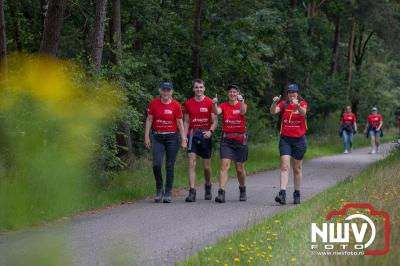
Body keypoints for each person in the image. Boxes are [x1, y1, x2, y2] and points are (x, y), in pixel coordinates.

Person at [144, 82, 187, 203]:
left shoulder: (176, 105)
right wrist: (146, 136)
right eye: (164, 90)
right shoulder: (154, 103)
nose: (166, 92)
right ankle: (159, 189)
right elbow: (149, 119)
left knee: (169, 165)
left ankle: (168, 192)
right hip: (158, 137)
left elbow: (180, 123)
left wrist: (184, 139)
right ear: (160, 91)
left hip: (172, 138)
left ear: (172, 92)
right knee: (156, 164)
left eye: (168, 90)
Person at [270, 83, 308, 205]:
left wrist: (297, 104)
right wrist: (274, 102)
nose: (291, 94)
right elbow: (273, 111)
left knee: (297, 168)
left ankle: (297, 193)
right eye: (289, 92)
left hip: (299, 140)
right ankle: (282, 193)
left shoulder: (302, 103)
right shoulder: (284, 104)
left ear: (297, 93)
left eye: (294, 92)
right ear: (287, 94)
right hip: (285, 139)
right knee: (285, 166)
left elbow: (303, 113)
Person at [212, 84, 248, 203]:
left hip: (240, 140)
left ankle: (242, 189)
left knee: (239, 169)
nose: (232, 94)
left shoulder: (242, 104)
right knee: (224, 165)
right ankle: (221, 193)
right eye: (230, 92)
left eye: (234, 92)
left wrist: (241, 101)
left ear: (238, 94)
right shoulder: (223, 105)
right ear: (228, 94)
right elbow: (216, 112)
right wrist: (214, 103)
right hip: (227, 140)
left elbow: (242, 112)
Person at [183, 79, 218, 202]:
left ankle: (208, 185)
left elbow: (215, 122)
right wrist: (184, 137)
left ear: (204, 88)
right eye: (196, 87)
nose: (198, 89)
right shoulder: (188, 103)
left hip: (205, 134)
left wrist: (210, 131)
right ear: (193, 89)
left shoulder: (209, 102)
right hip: (192, 134)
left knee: (206, 167)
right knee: (191, 162)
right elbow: (186, 121)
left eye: (201, 87)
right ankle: (192, 191)